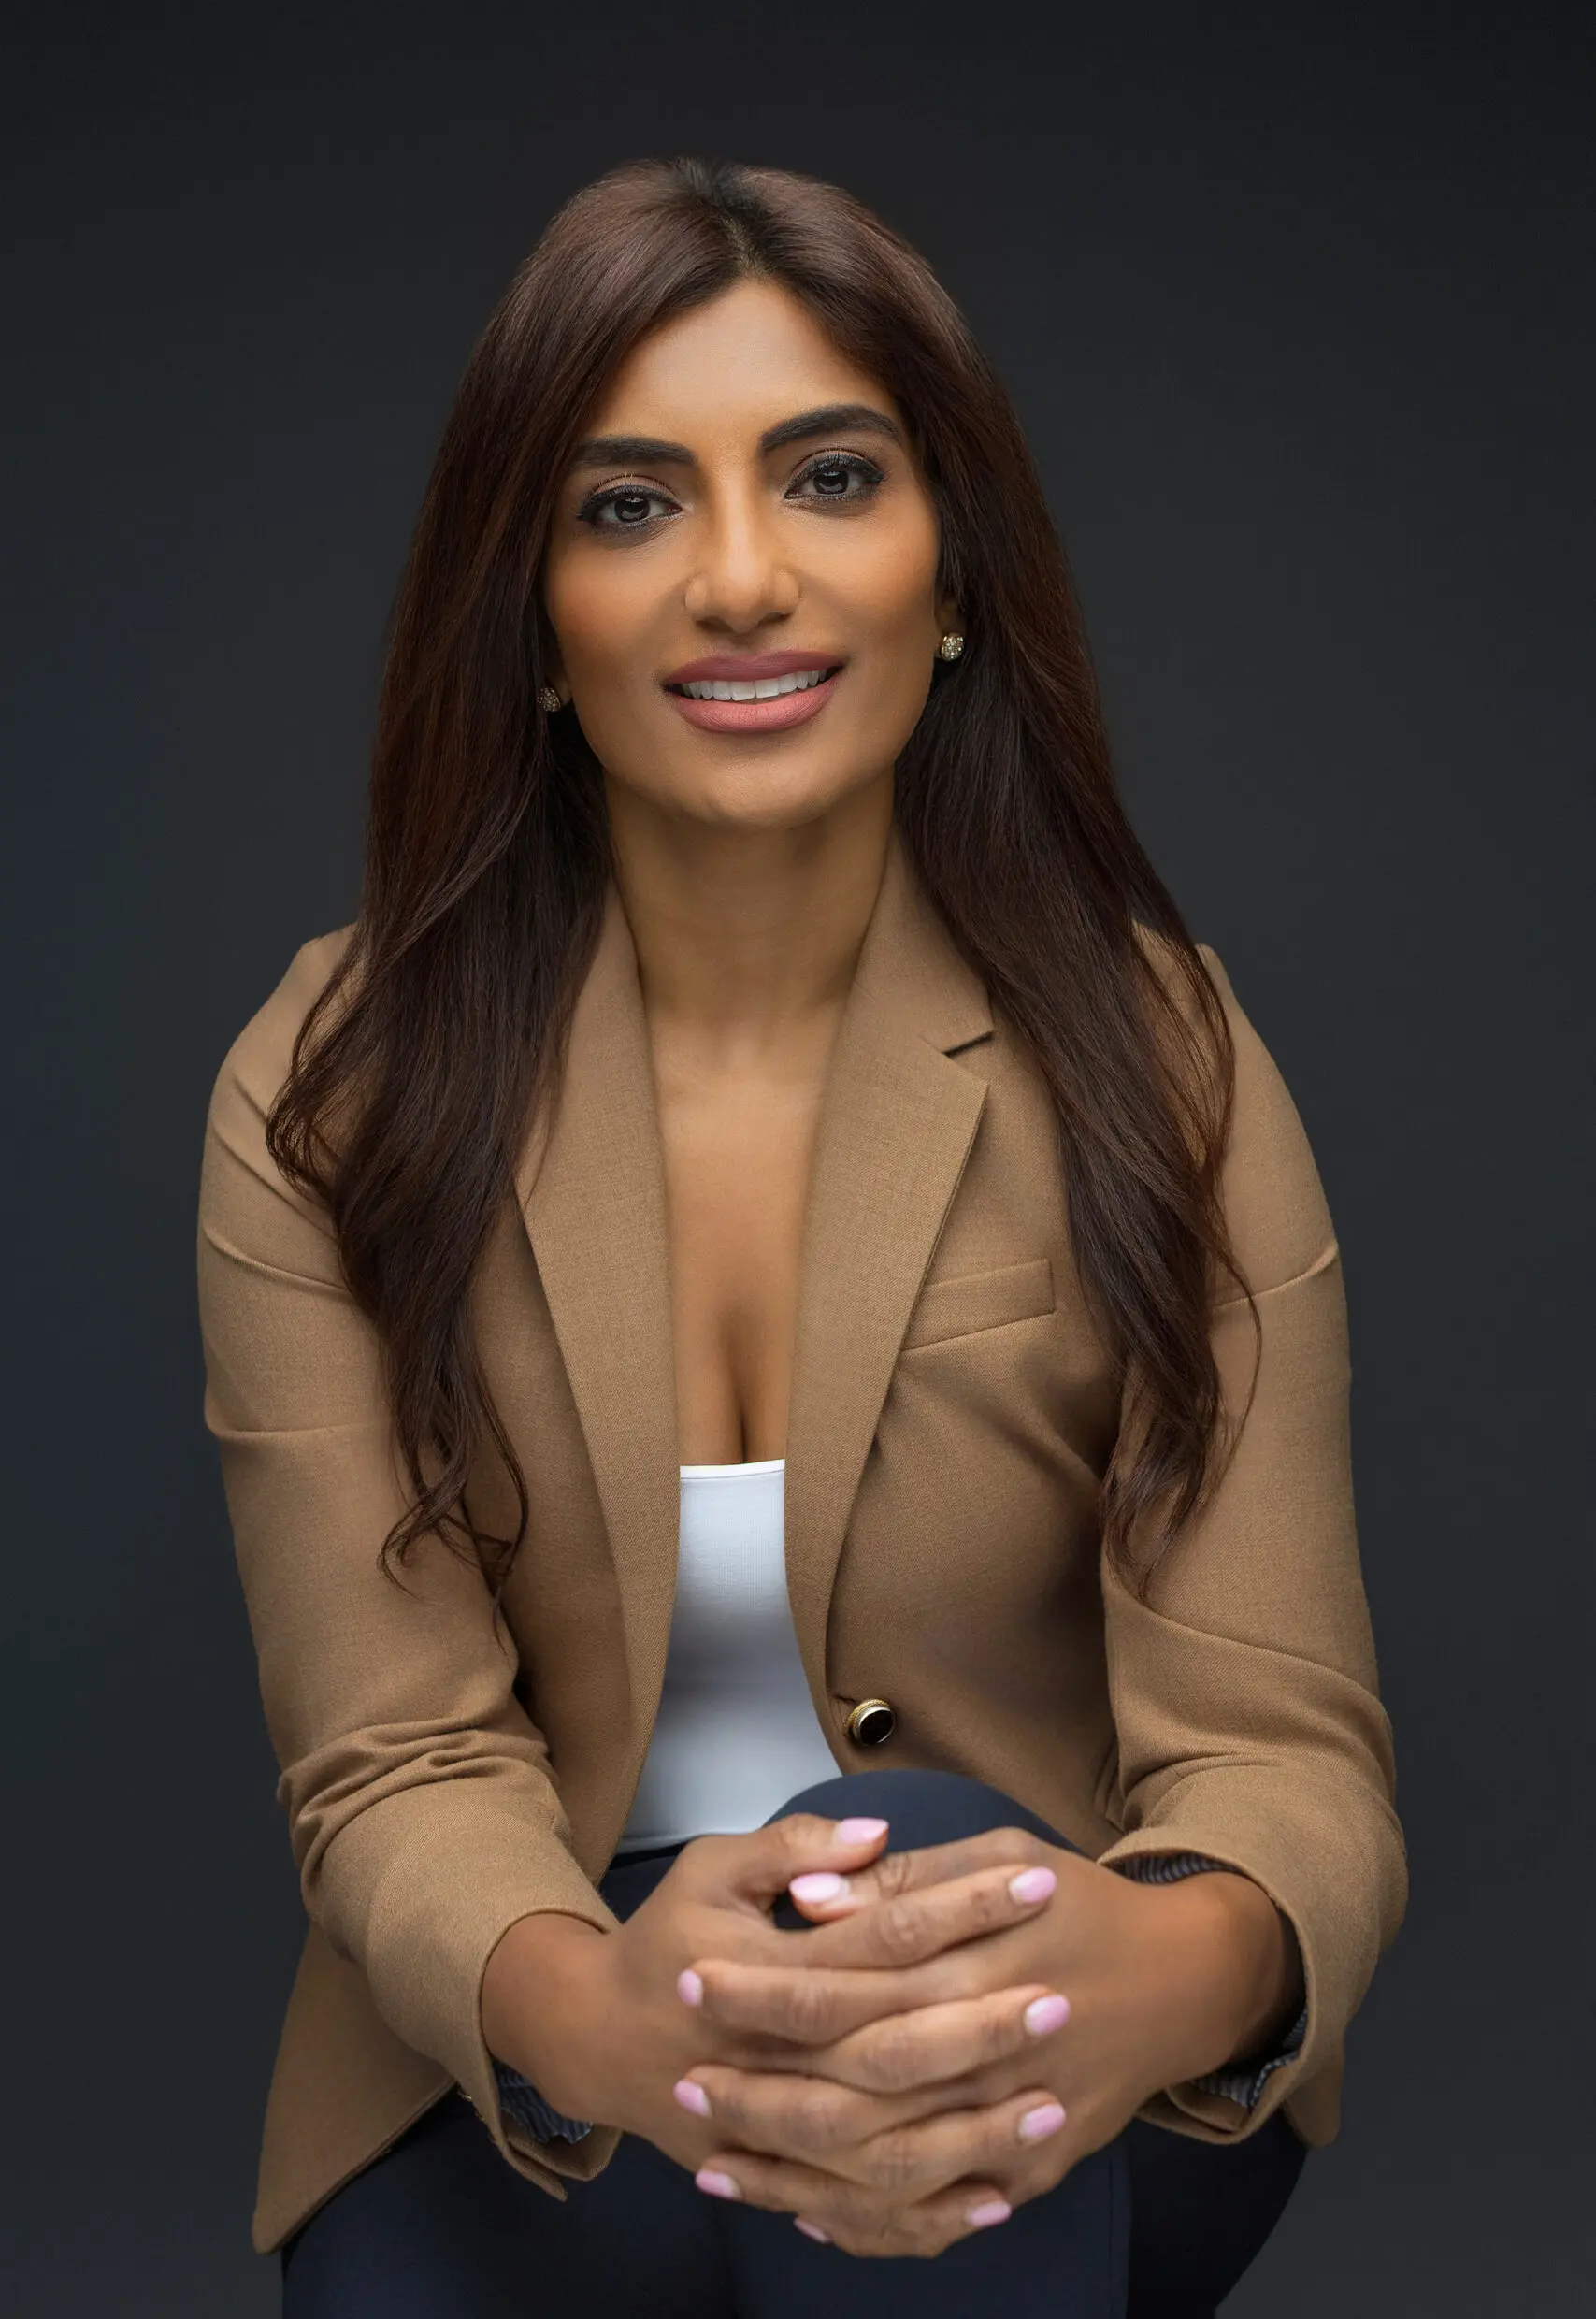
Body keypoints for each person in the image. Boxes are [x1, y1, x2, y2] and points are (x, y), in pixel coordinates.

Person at [196, 156, 1405, 2318]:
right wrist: (601, 2013)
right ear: (533, 614)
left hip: (1045, 2043)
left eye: (830, 475)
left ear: (952, 575)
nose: (739, 577)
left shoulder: (1162, 1053)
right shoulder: (334, 1082)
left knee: (927, 1876)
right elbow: (392, 1756)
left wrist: (1169, 1951)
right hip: (541, 2046)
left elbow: (1283, 1745)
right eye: (630, 501)